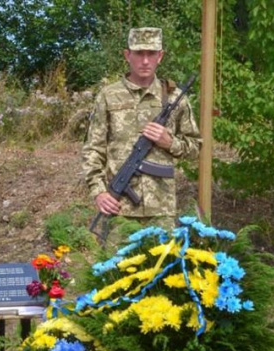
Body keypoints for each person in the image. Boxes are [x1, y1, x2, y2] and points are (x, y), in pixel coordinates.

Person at [82, 27, 201, 230]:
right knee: (115, 263)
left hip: (161, 211)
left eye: (151, 54)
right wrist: (99, 192)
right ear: (127, 55)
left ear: (160, 56)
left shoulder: (175, 98)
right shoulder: (108, 95)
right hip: (118, 209)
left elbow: (195, 148)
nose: (145, 61)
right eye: (139, 53)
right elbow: (93, 149)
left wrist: (169, 142)